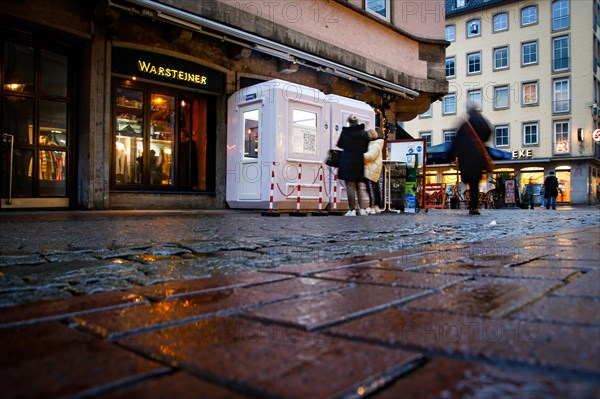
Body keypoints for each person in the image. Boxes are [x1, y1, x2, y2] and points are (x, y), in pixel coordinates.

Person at [449, 106, 493, 215]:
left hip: (466, 158)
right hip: (478, 158)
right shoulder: (483, 123)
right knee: (475, 183)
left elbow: (456, 142)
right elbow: (489, 133)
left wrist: (450, 156)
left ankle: (472, 205)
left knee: (469, 181)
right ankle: (474, 207)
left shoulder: (465, 126)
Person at [337, 115, 370, 216]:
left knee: (350, 186)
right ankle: (362, 209)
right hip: (358, 161)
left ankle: (352, 210)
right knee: (359, 186)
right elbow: (365, 149)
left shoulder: (346, 132)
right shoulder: (364, 133)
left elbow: (339, 144)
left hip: (347, 161)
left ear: (349, 122)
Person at [364, 129, 384, 214]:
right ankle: (376, 206)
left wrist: (360, 155)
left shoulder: (374, 145)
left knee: (371, 189)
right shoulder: (376, 144)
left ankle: (371, 206)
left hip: (371, 170)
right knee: (375, 189)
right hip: (373, 169)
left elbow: (371, 156)